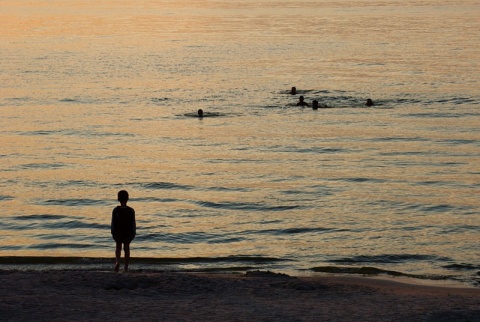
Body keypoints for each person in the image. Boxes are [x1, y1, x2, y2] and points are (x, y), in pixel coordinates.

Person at [111, 190, 136, 272]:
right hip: (128, 233)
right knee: (126, 248)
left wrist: (113, 232)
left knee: (118, 247)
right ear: (127, 198)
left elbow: (113, 223)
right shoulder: (131, 211)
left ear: (118, 199)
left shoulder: (115, 210)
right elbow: (133, 223)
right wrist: (133, 233)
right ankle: (126, 267)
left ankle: (117, 262)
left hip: (118, 233)